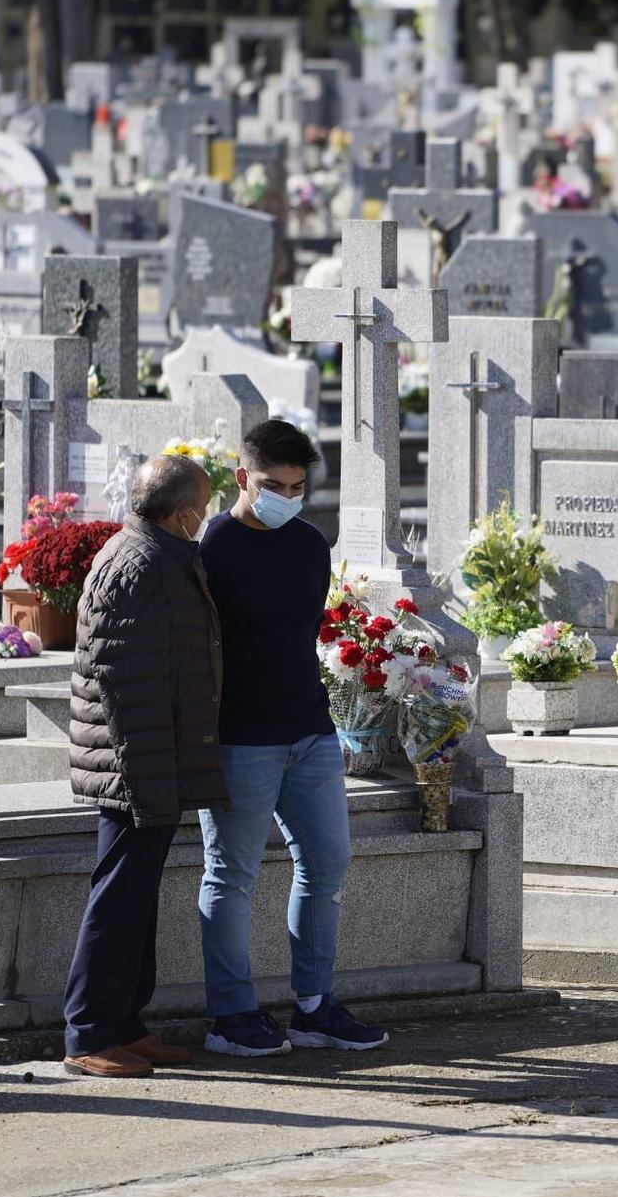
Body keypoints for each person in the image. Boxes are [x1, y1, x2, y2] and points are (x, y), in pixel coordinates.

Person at [194, 419, 387, 1058]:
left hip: (309, 731)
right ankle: (231, 1015)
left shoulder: (308, 543)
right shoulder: (212, 547)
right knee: (231, 876)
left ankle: (313, 1007)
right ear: (241, 478)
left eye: (299, 486)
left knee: (328, 863)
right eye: (274, 485)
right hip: (240, 737)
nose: (288, 495)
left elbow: (302, 633)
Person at [62, 455, 229, 1078]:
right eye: (204, 507)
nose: (206, 517)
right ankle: (89, 1032)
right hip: (135, 765)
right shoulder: (135, 564)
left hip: (154, 758)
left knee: (136, 899)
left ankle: (126, 1024)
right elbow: (122, 685)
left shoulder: (160, 556)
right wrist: (143, 775)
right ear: (184, 512)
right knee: (117, 898)